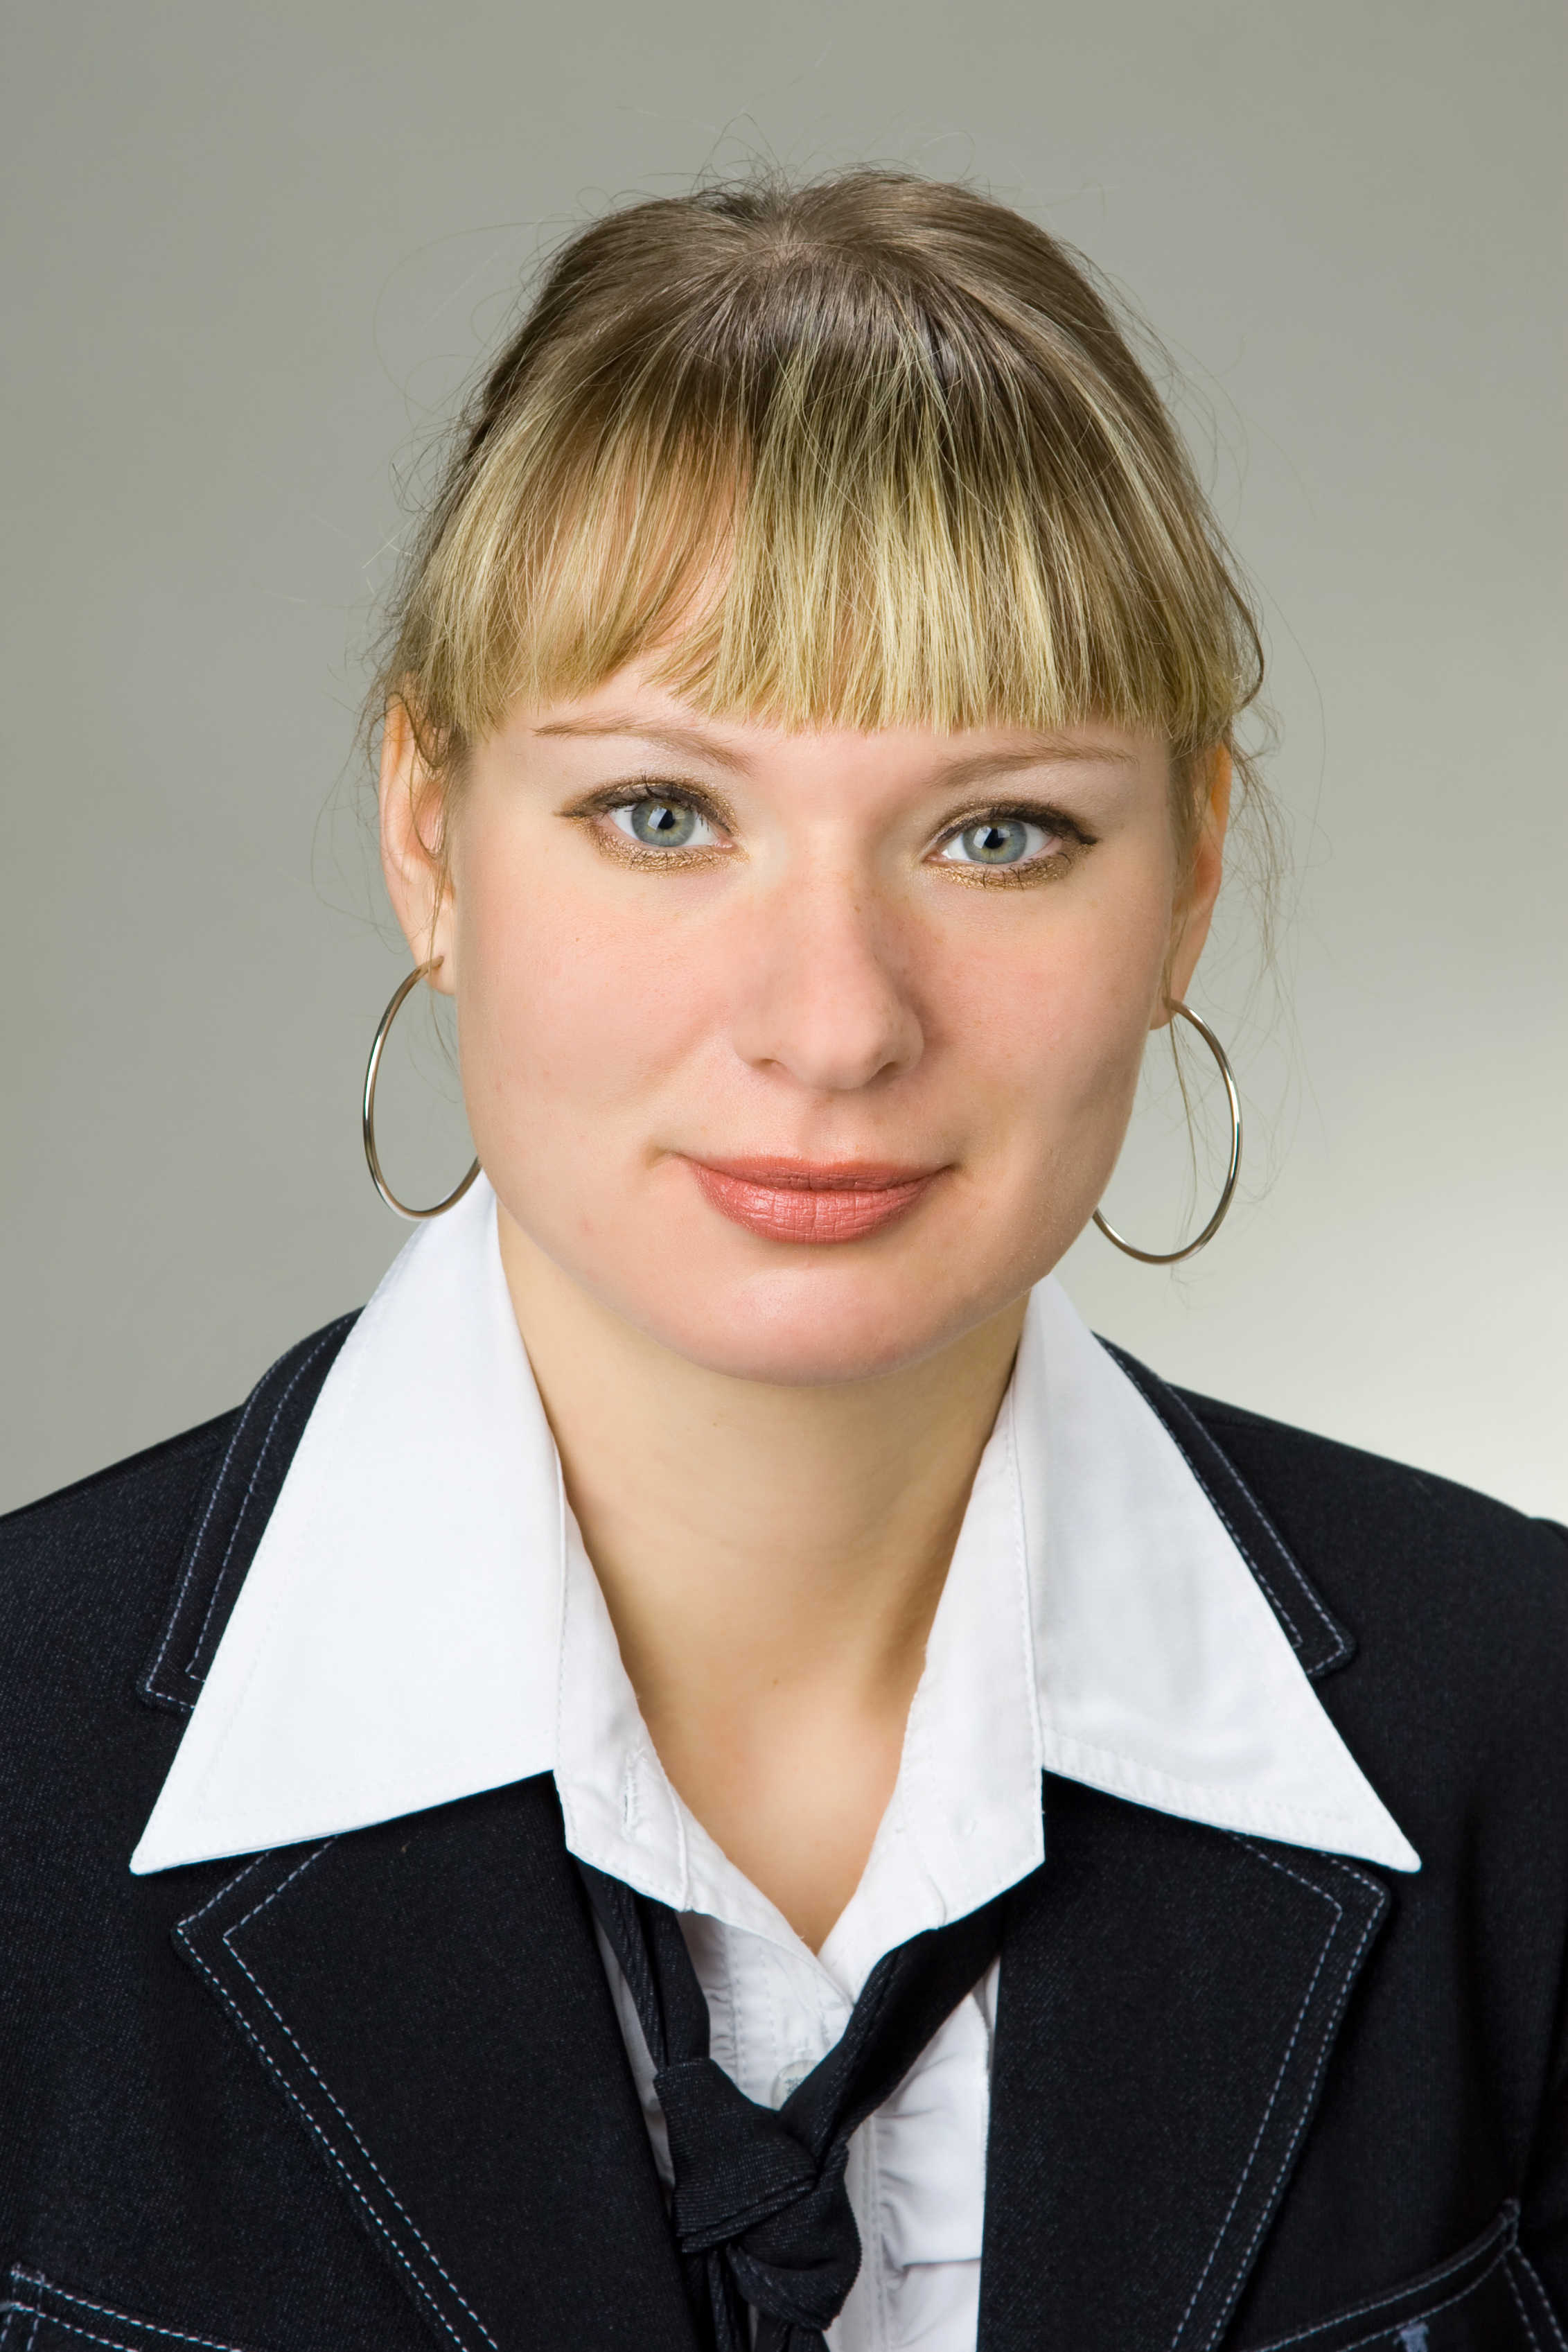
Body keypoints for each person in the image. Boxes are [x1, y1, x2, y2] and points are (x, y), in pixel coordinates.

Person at [1, 170, 1563, 2352]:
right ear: (430, 835)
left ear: (1192, 876)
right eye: (665, 815)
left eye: (999, 832)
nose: (834, 1024)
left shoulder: (1529, 1735)